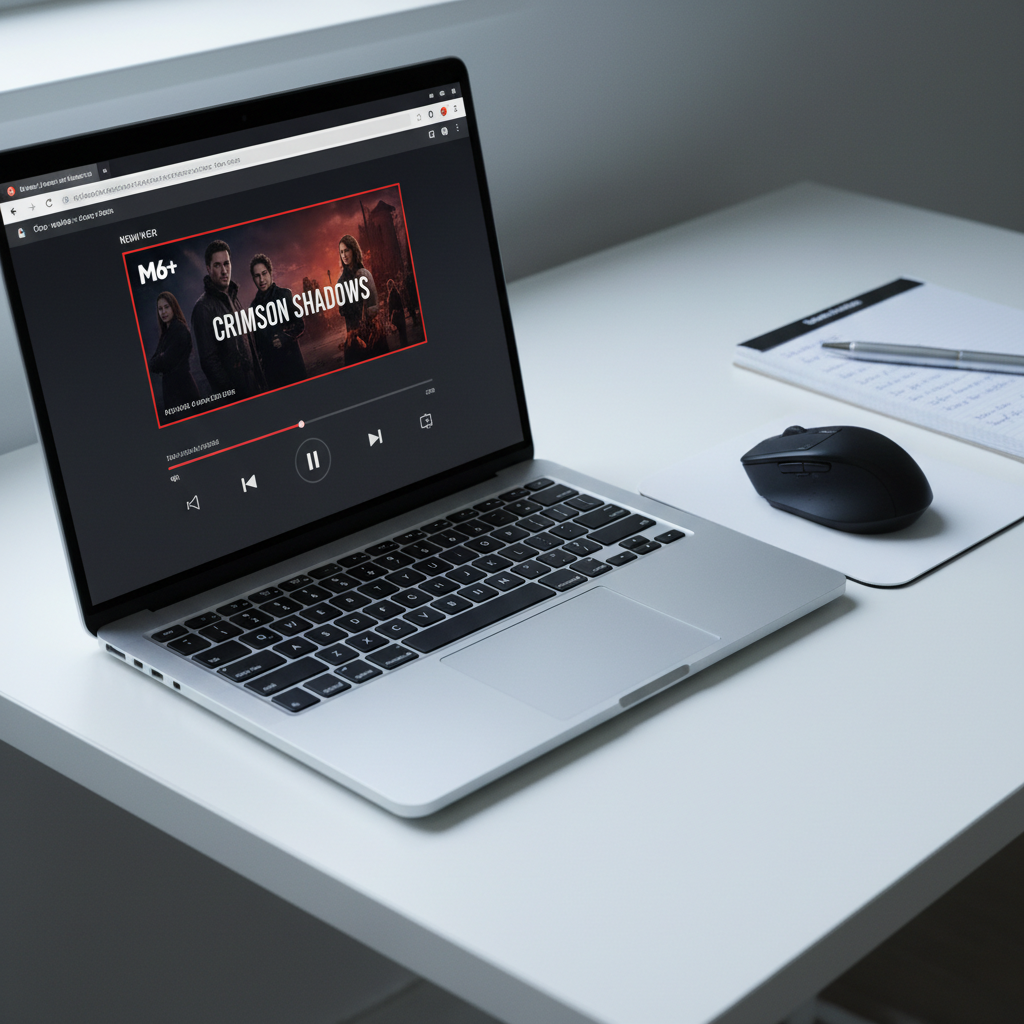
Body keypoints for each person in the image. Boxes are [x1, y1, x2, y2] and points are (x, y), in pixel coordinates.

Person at [191, 239, 262, 399]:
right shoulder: (203, 308)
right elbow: (209, 363)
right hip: (237, 399)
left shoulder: (234, 298)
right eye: (217, 265)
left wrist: (260, 382)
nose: (224, 270)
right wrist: (234, 395)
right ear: (208, 269)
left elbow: (248, 343)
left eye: (226, 263)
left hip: (253, 389)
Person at [249, 253, 306, 388]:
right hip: (272, 374)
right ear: (253, 278)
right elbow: (257, 344)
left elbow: (300, 325)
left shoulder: (285, 295)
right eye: (257, 276)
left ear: (270, 273)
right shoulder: (253, 307)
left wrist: (285, 337)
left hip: (293, 364)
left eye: (264, 273)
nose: (261, 279)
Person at [148, 292, 200, 418]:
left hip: (183, 391)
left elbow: (167, 360)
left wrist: (161, 358)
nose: (163, 312)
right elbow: (152, 364)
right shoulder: (166, 333)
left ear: (173, 307)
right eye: (160, 309)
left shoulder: (180, 330)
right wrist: (160, 358)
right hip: (172, 392)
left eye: (166, 307)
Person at [337, 234, 380, 361]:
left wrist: (366, 311)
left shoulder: (365, 275)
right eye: (341, 252)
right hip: (354, 336)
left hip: (371, 333)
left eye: (347, 250)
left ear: (354, 251)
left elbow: (374, 305)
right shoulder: (341, 282)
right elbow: (342, 310)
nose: (344, 255)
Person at [386, 278, 408, 348]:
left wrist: (389, 318)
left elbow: (390, 307)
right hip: (400, 314)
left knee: (401, 333)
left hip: (396, 315)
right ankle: (405, 345)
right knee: (403, 333)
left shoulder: (391, 295)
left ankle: (404, 346)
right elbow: (401, 304)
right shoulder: (397, 293)